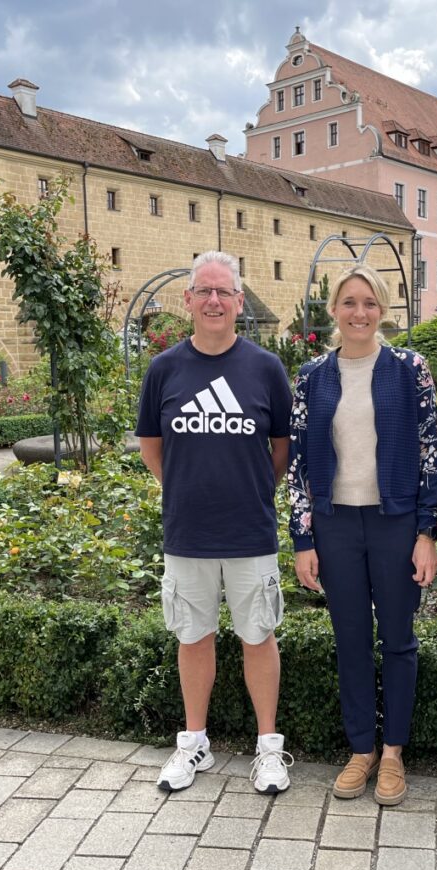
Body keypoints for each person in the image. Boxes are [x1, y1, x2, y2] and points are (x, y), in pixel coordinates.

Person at [136, 250, 294, 795]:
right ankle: (194, 744)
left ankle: (268, 748)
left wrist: (252, 489)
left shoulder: (266, 368)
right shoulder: (164, 370)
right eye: (204, 291)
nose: (213, 300)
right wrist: (186, 488)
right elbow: (151, 448)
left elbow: (281, 448)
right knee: (193, 636)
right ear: (187, 300)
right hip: (188, 533)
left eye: (224, 291)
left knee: (259, 636)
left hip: (250, 530)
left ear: (239, 301)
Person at [287, 265, 437, 806]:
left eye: (370, 303)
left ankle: (393, 752)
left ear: (383, 310)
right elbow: (299, 463)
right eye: (349, 302)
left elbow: (430, 451)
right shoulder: (312, 376)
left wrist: (427, 532)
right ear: (334, 310)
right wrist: (303, 539)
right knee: (350, 639)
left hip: (394, 521)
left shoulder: (409, 369)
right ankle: (361, 749)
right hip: (335, 524)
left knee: (398, 638)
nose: (360, 313)